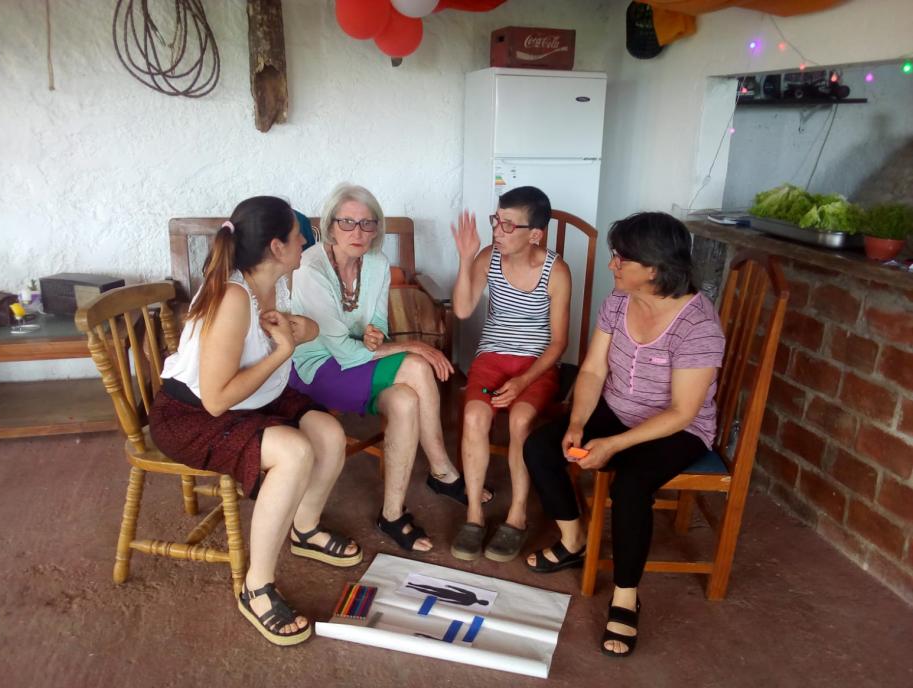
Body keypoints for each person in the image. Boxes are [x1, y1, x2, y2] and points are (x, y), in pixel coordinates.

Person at [149, 196, 361, 648]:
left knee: (328, 432)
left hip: (251, 400)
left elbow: (290, 334)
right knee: (295, 451)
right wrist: (285, 350)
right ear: (277, 246)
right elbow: (215, 400)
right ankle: (256, 587)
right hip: (191, 417)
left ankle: (304, 529)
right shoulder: (232, 298)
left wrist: (303, 328)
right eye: (298, 234)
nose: (305, 239)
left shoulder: (268, 285)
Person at [523, 212, 725, 658]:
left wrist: (613, 445)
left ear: (653, 269)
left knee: (632, 485)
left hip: (678, 428)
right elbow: (594, 369)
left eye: (621, 258)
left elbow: (682, 411)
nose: (613, 265)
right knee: (542, 445)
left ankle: (626, 595)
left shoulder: (698, 326)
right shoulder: (617, 302)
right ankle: (573, 542)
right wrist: (578, 422)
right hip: (617, 409)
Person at [289, 183, 491, 553]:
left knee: (404, 401)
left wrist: (372, 335)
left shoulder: (379, 264)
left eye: (368, 224)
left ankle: (393, 513)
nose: (358, 232)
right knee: (416, 365)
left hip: (358, 360)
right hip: (317, 365)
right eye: (347, 222)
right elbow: (343, 353)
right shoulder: (309, 268)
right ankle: (442, 470)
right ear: (330, 226)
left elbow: (378, 327)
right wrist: (411, 345)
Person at [448, 186, 571, 564]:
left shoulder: (556, 270)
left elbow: (558, 344)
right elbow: (464, 310)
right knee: (474, 415)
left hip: (535, 364)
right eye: (495, 221)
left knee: (520, 420)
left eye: (506, 225)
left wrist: (523, 381)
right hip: (492, 358)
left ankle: (517, 515)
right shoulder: (490, 258)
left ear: (535, 234)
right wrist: (466, 260)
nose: (496, 231)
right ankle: (473, 514)